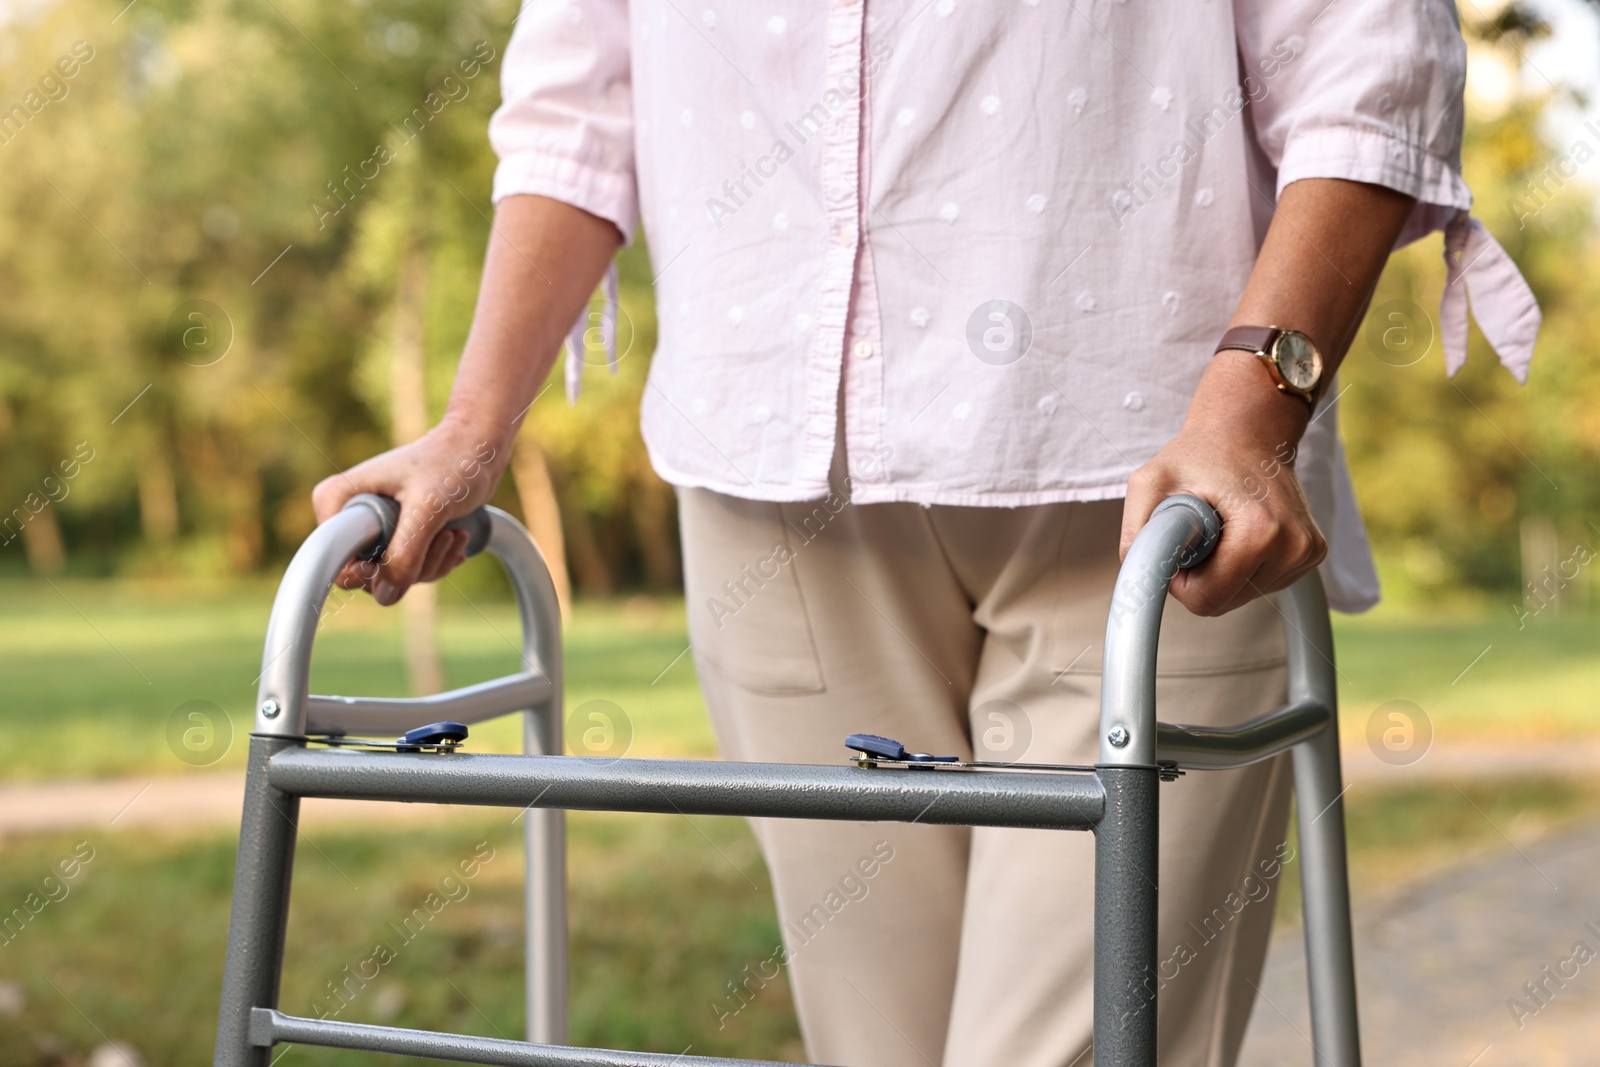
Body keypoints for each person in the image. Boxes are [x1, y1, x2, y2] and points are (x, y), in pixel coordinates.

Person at [313, 3, 1539, 1064]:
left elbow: (1364, 53)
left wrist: (1251, 408)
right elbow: (579, 102)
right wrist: (468, 427)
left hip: (1151, 506)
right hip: (772, 498)